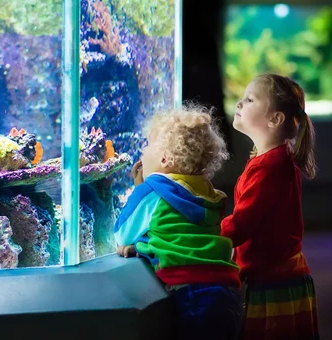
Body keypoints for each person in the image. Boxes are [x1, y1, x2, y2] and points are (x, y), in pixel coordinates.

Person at [114, 103, 243, 340]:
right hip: (228, 288)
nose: (143, 152)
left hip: (189, 291)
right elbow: (179, 229)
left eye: (148, 145)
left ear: (164, 157)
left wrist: (139, 189)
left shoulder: (153, 189)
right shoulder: (207, 191)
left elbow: (122, 234)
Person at [221, 73, 320, 339]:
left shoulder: (269, 167)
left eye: (250, 99)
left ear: (275, 119)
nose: (240, 103)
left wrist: (205, 232)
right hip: (279, 275)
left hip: (273, 281)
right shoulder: (273, 159)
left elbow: (242, 224)